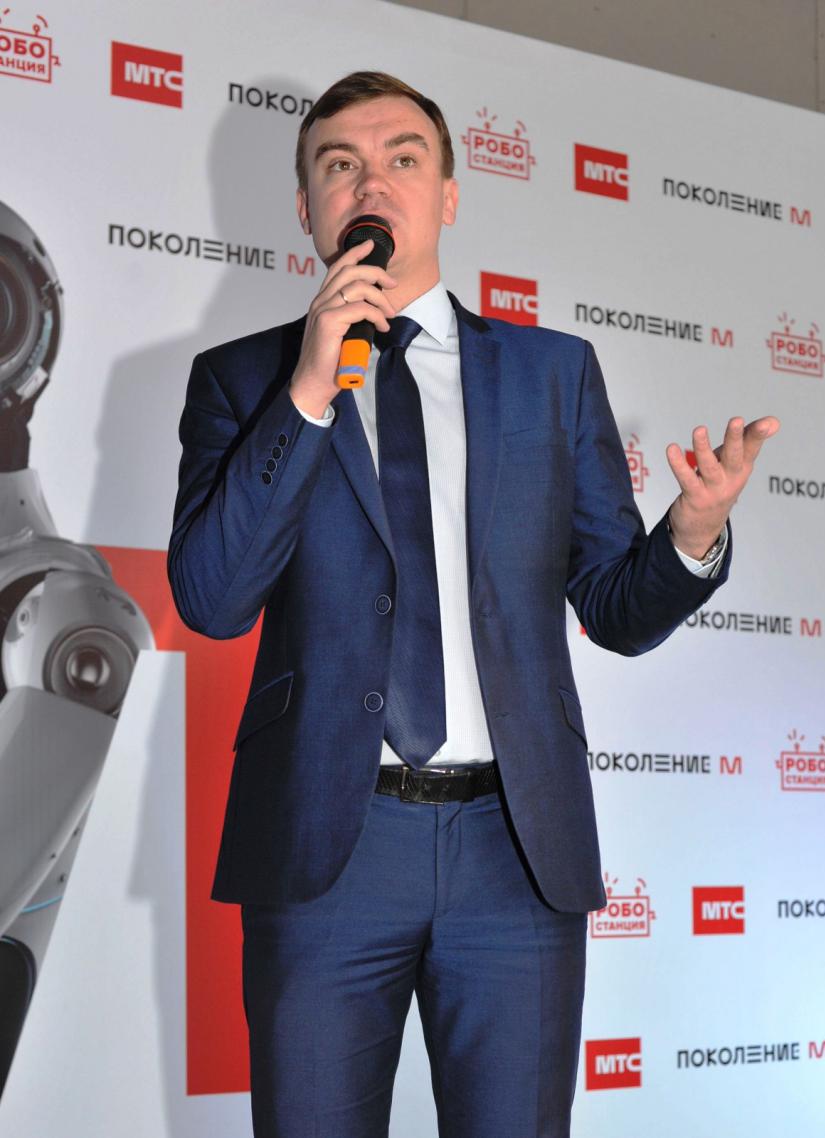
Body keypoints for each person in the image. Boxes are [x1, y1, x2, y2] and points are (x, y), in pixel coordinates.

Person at [168, 71, 778, 1138]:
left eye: (404, 159)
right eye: (341, 165)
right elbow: (214, 600)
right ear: (308, 207)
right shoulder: (242, 380)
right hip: (326, 851)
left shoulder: (551, 375)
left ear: (448, 195)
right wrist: (309, 388)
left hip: (516, 852)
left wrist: (690, 536)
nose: (373, 183)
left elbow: (615, 609)